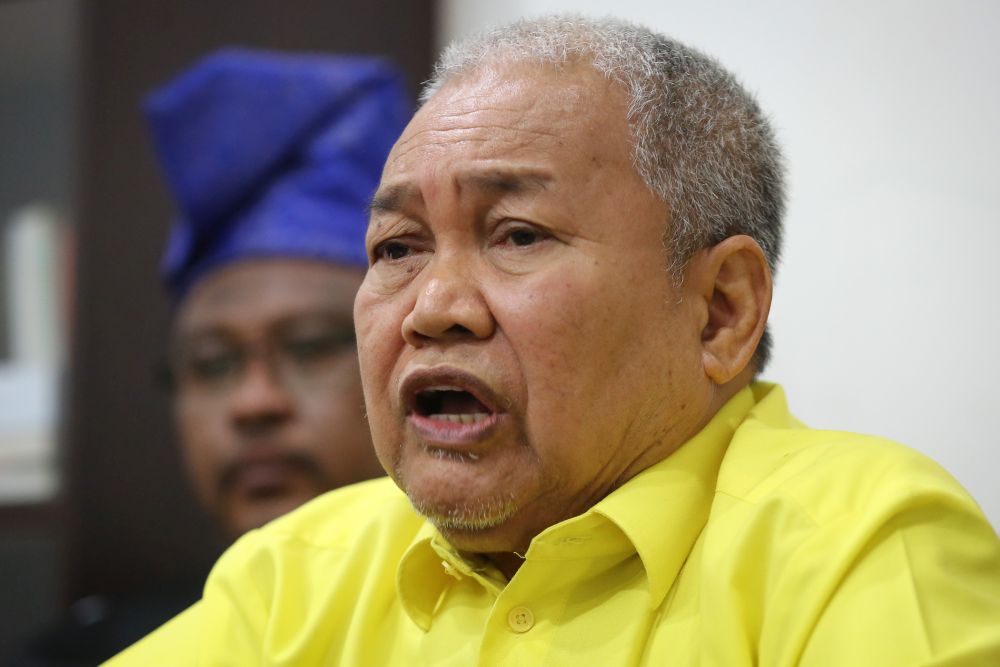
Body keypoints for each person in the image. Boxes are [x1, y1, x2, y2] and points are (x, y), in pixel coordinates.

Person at [108, 16, 1000, 666]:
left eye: (518, 234)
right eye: (397, 248)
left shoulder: (857, 544)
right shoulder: (294, 576)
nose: (432, 307)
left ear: (722, 309)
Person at [15, 50, 409, 666]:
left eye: (309, 346)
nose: (254, 403)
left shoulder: (515, 630)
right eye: (212, 363)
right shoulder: (95, 651)